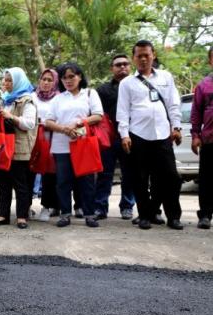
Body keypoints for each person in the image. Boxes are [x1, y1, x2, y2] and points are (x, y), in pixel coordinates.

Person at [117, 40, 183, 230]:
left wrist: (176, 127)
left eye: (147, 54)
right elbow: (122, 111)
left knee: (170, 177)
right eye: (139, 55)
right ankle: (145, 215)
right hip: (138, 135)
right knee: (140, 178)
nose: (143, 58)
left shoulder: (166, 77)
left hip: (163, 135)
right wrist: (124, 135)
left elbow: (173, 104)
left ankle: (173, 217)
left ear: (153, 55)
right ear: (134, 58)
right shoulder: (127, 83)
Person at [45, 62, 104, 227]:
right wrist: (64, 129)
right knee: (63, 182)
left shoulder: (90, 94)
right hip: (61, 146)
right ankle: (65, 214)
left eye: (72, 76)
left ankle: (89, 214)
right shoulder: (58, 98)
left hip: (83, 143)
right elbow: (48, 121)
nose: (68, 80)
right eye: (64, 78)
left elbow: (98, 115)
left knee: (86, 181)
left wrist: (78, 123)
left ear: (80, 77)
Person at [0, 68, 37, 229]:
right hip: (2, 147)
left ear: (18, 81)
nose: (6, 83)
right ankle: (3, 214)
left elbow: (30, 124)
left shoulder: (26, 100)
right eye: (5, 80)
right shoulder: (4, 99)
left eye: (10, 80)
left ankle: (22, 216)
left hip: (18, 147)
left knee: (20, 184)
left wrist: (12, 117)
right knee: (3, 183)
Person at [95, 54, 136, 220]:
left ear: (130, 66)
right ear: (112, 69)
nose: (122, 67)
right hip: (109, 138)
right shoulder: (102, 90)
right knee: (105, 174)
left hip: (131, 137)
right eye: (118, 65)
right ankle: (100, 207)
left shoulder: (137, 87)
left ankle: (127, 206)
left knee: (129, 173)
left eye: (125, 64)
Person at [190, 46, 213, 230]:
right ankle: (205, 214)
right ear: (210, 61)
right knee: (206, 179)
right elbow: (196, 112)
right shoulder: (204, 85)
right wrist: (195, 135)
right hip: (209, 140)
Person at [32, 68, 60, 222]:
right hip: (33, 141)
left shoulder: (59, 98)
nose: (46, 82)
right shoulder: (31, 97)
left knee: (50, 176)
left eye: (50, 80)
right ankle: (26, 206)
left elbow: (60, 118)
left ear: (55, 82)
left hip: (53, 141)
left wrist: (47, 124)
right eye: (44, 79)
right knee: (29, 173)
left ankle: (47, 207)